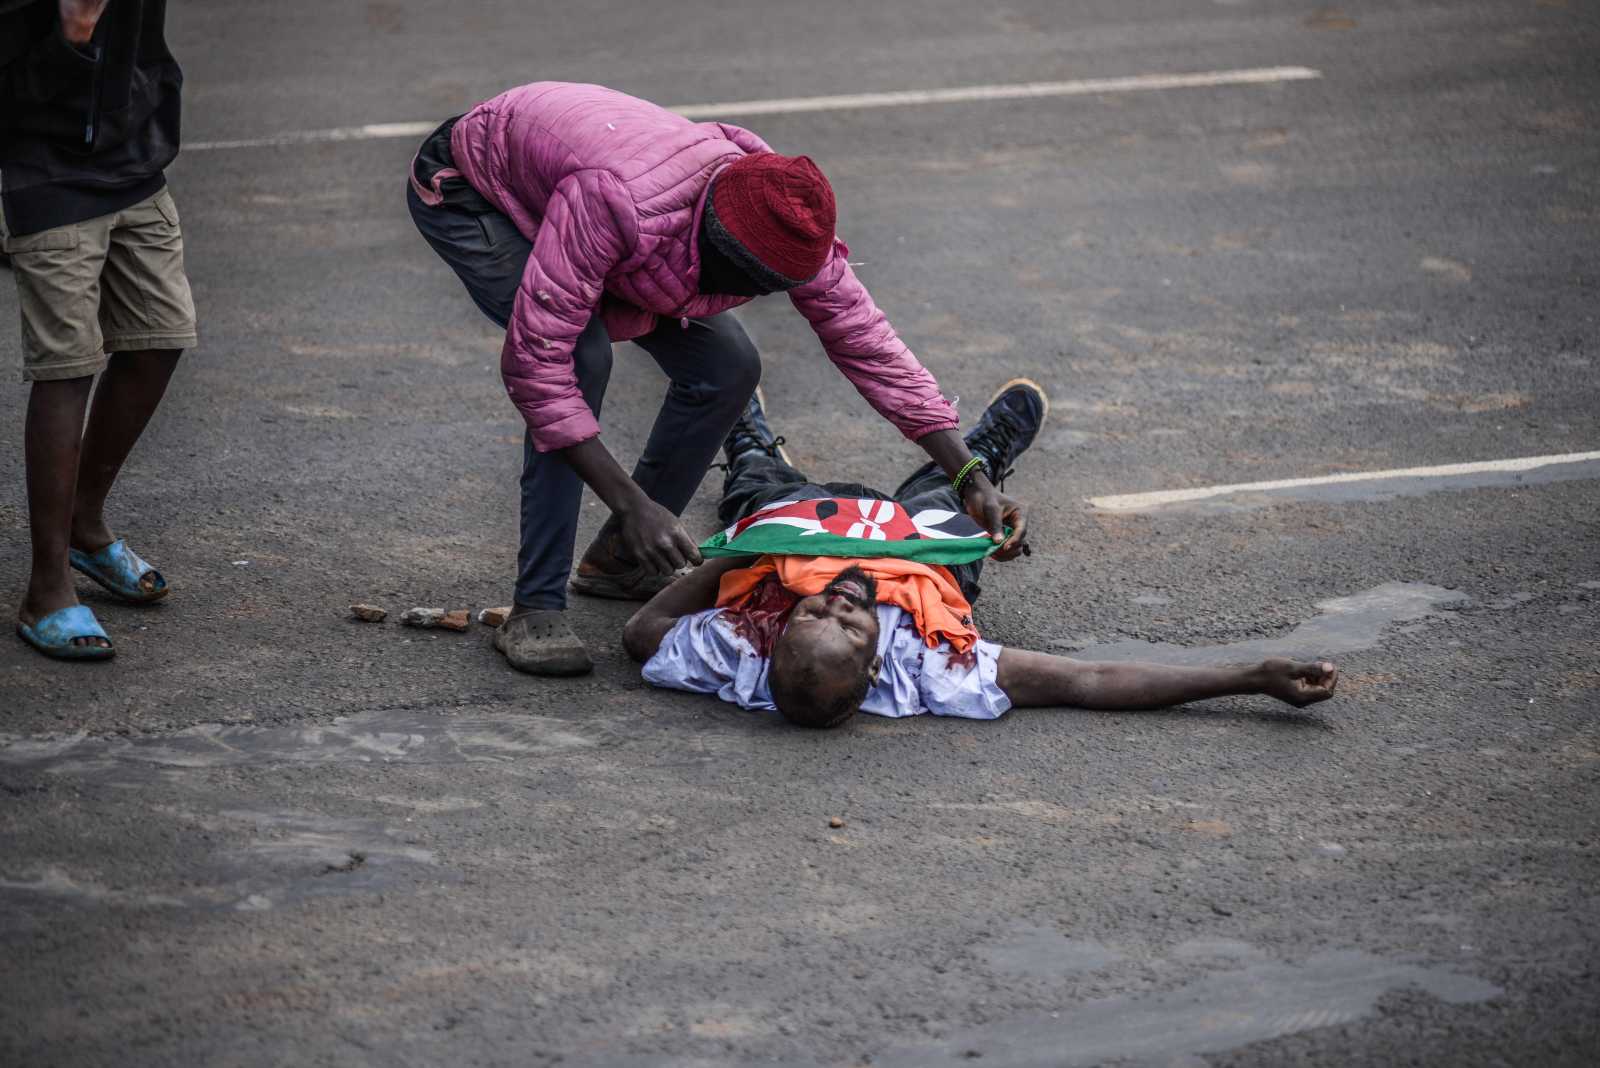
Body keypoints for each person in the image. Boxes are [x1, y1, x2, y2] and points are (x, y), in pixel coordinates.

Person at [406, 82, 1024, 677]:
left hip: (611, 211)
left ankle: (621, 561)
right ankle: (536, 607)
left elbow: (867, 342)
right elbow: (538, 368)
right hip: (475, 188)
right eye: (746, 283)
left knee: (728, 364)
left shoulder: (784, 217)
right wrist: (631, 500)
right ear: (716, 241)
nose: (751, 298)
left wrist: (966, 472)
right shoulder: (615, 203)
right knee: (578, 356)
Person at [625, 381, 1339, 726]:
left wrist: (749, 550)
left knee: (758, 491)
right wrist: (1251, 676)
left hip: (807, 519)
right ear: (876, 665)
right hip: (915, 552)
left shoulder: (737, 651)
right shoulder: (930, 670)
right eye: (850, 629)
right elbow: (1086, 682)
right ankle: (976, 465)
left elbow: (641, 635)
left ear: (777, 638)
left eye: (814, 616)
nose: (839, 605)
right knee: (947, 510)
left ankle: (749, 444)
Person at [1, 0, 195, 660]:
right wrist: (74, 32)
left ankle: (85, 525)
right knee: (68, 366)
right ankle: (46, 588)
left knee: (160, 338)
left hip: (133, 158)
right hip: (42, 168)